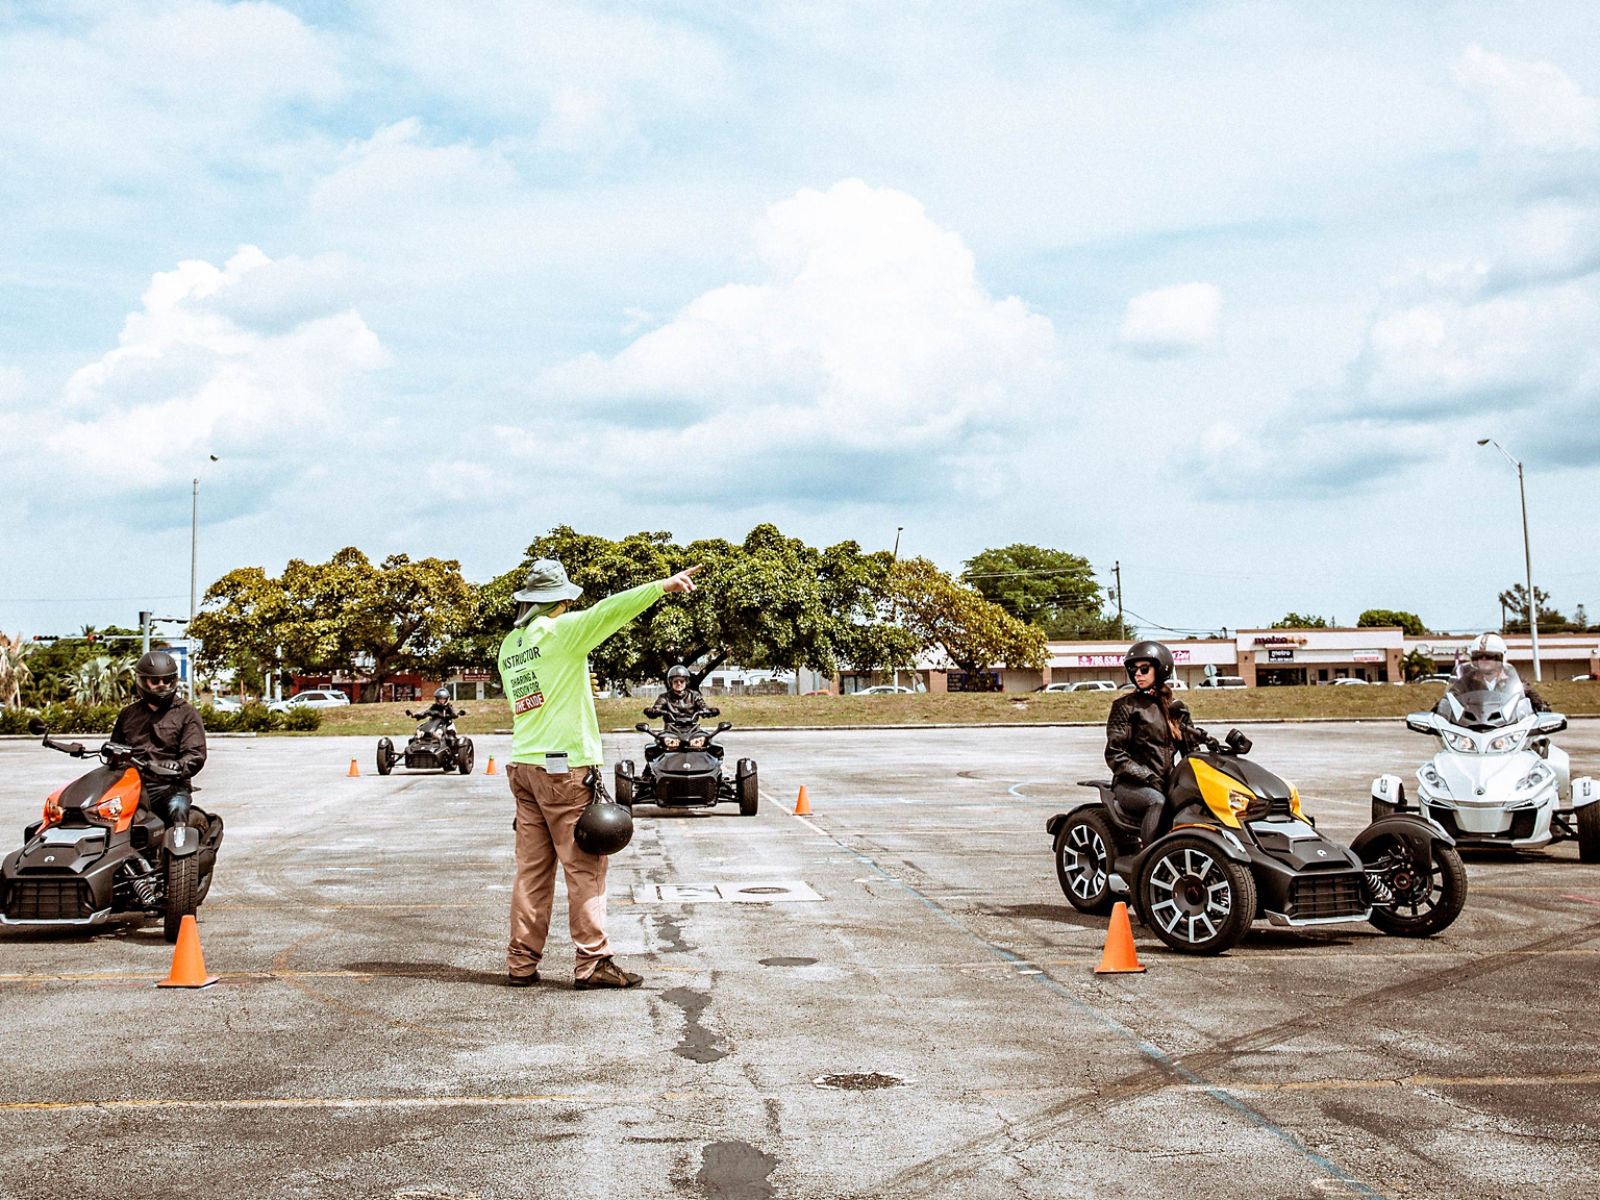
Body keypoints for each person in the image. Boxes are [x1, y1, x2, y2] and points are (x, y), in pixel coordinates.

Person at [497, 557, 701, 991]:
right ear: (560, 599)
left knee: (531, 871)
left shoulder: (511, 646)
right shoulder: (562, 632)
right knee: (585, 866)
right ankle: (592, 963)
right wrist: (660, 588)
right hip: (562, 769)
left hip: (523, 765)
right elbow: (608, 610)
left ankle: (520, 962)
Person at [1103, 641, 1220, 844]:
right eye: (1134, 669)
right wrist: (1148, 777)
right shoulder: (1125, 706)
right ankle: (1149, 858)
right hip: (1131, 784)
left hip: (1166, 781)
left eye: (1144, 669)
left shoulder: (1175, 708)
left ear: (1160, 669)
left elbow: (1191, 752)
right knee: (1157, 801)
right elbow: (1115, 755)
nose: (1138, 674)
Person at [109, 651, 207, 828]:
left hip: (170, 785)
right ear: (143, 681)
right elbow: (114, 748)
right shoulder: (128, 714)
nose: (162, 685)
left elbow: (195, 753)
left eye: (167, 680)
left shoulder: (186, 713)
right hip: (133, 785)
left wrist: (177, 765)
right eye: (155, 681)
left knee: (177, 809)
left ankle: (182, 853)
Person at [644, 665, 718, 730]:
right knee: (657, 744)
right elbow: (656, 709)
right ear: (671, 682)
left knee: (707, 742)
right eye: (676, 681)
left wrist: (709, 711)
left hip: (692, 729)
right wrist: (653, 711)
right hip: (671, 729)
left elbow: (703, 707)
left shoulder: (694, 695)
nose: (679, 684)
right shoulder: (664, 697)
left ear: (686, 682)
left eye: (681, 681)